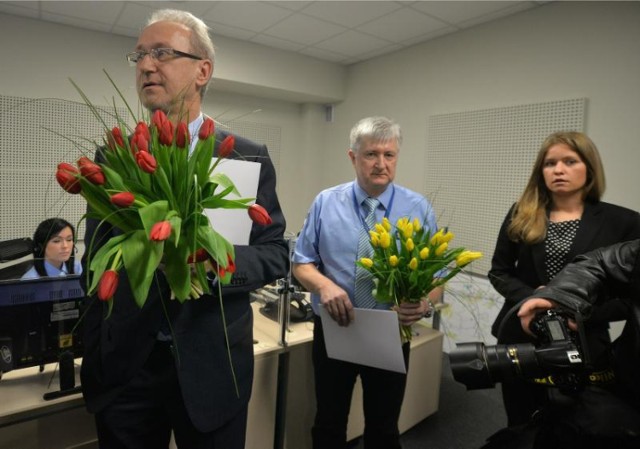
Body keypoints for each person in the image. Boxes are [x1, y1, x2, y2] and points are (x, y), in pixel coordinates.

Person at [80, 9, 288, 449]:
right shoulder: (115, 155)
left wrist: (214, 264)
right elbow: (95, 261)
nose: (145, 65)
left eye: (161, 53)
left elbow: (274, 251)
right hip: (127, 371)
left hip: (212, 368)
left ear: (202, 70)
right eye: (139, 55)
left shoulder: (245, 157)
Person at [292, 116, 441, 449]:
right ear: (352, 157)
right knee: (328, 423)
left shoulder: (417, 208)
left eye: (389, 155)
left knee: (384, 427)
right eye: (371, 154)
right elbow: (301, 262)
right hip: (334, 329)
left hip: (389, 333)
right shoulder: (326, 203)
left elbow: (436, 276)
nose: (381, 163)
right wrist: (323, 285)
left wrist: (425, 302)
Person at [488, 131, 640, 426]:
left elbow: (632, 294)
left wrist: (579, 308)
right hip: (522, 335)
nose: (558, 170)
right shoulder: (521, 213)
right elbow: (499, 272)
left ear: (590, 168)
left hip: (587, 340)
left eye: (570, 161)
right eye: (550, 163)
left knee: (579, 423)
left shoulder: (625, 222)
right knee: (520, 420)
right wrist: (537, 298)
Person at [516, 239, 640, 449]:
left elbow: (622, 304)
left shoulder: (624, 219)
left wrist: (590, 314)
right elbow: (600, 263)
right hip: (625, 384)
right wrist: (562, 295)